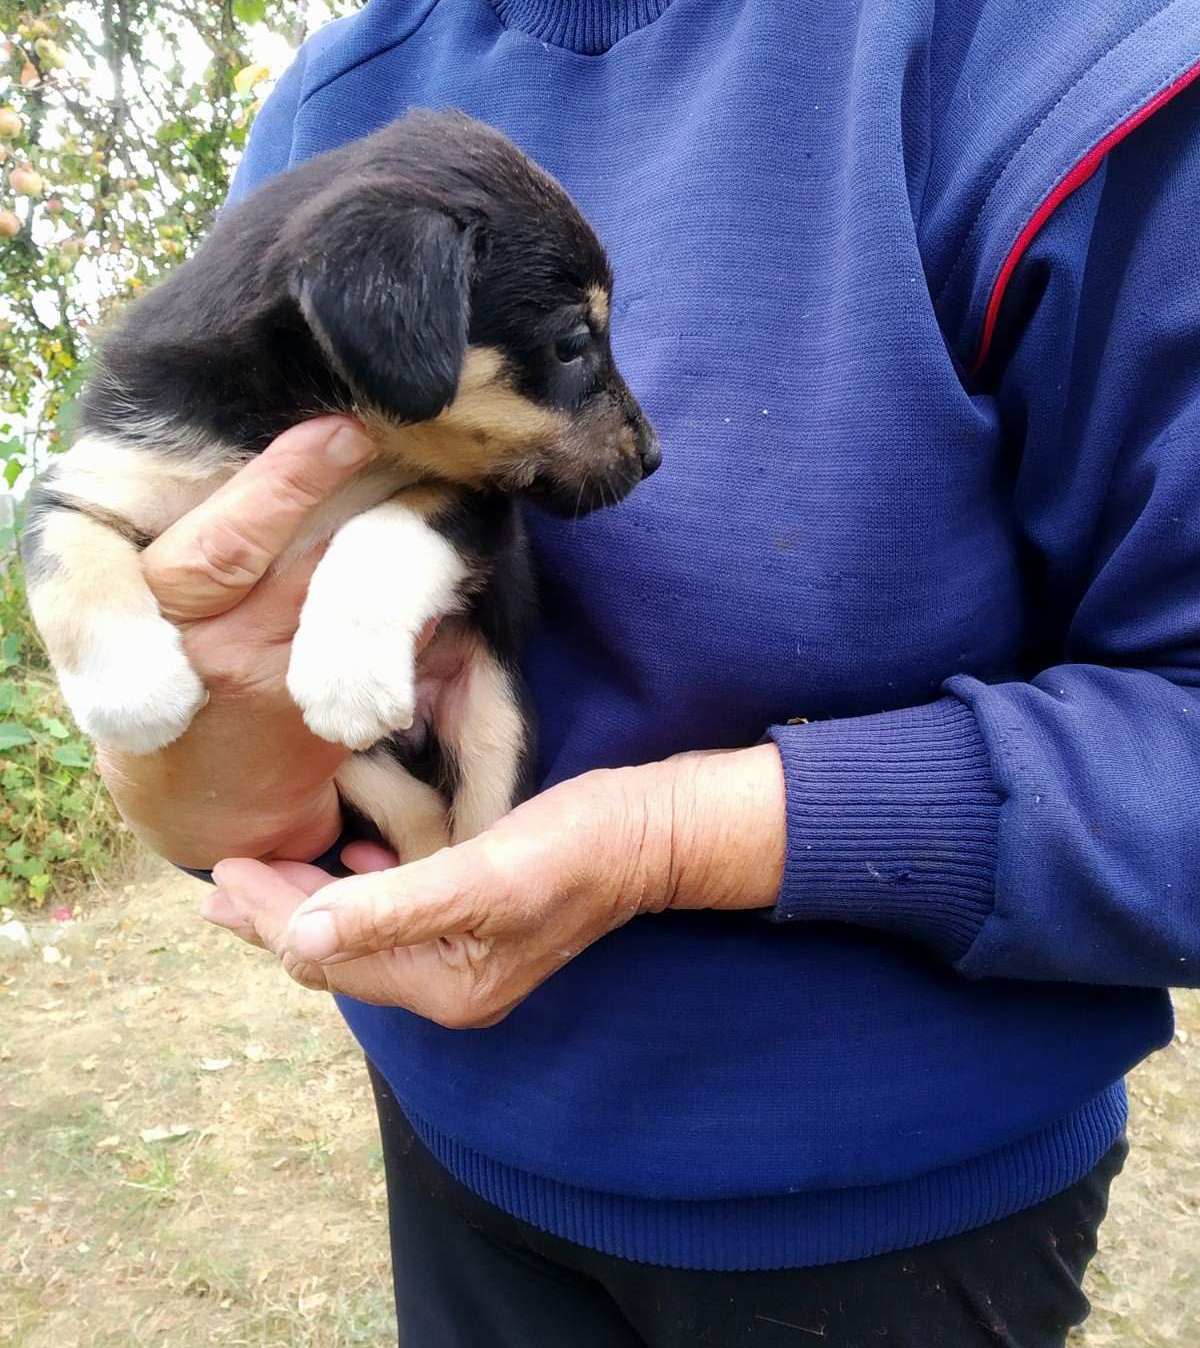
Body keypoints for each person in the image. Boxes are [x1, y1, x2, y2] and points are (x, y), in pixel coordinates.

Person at [96, 2, 1200, 1344]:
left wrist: (671, 839)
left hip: (896, 1228)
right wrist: (192, 797)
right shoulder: (336, 104)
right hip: (457, 1145)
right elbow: (220, 654)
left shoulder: (1057, 55)